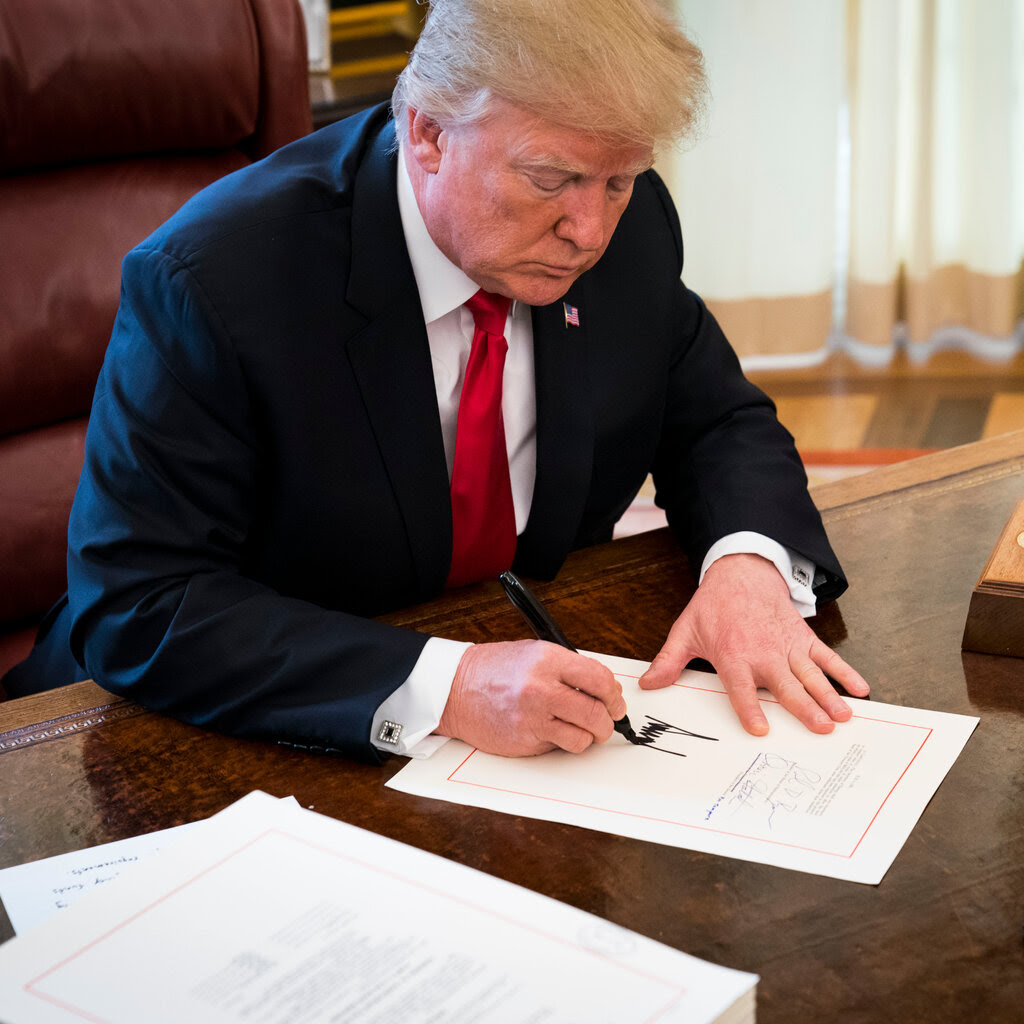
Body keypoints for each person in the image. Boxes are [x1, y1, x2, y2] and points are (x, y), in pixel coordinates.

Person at [3, 0, 868, 761]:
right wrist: (445, 687)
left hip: (520, 716)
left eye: (620, 179)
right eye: (552, 178)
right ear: (425, 133)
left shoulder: (625, 228)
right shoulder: (218, 283)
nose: (589, 227)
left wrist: (749, 568)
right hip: (169, 734)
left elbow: (716, 418)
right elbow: (140, 603)